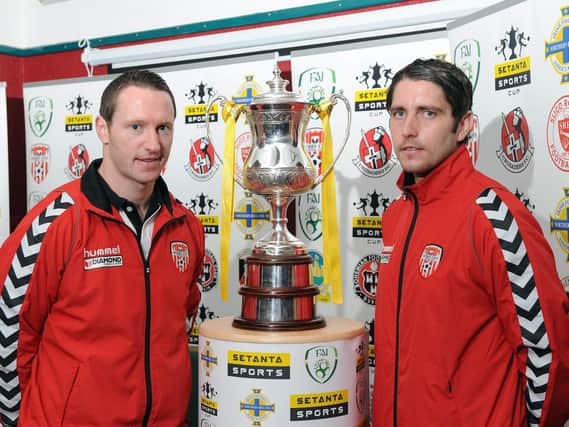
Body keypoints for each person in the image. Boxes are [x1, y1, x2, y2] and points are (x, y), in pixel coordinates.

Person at [0, 70, 204, 426]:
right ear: (103, 129)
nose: (153, 144)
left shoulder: (185, 227)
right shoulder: (58, 223)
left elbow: (180, 323)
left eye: (163, 128)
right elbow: (8, 329)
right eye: (136, 127)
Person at [373, 58, 569, 426]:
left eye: (428, 113)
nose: (409, 130)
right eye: (399, 113)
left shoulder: (492, 214)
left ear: (463, 125)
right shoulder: (396, 215)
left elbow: (547, 350)